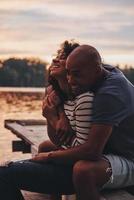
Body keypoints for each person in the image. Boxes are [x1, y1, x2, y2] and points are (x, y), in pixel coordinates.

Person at [0, 44, 134, 200]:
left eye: (75, 75)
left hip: (128, 157)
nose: (71, 80)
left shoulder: (109, 93)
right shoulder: (96, 72)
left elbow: (92, 151)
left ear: (97, 70)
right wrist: (60, 115)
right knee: (45, 146)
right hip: (108, 150)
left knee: (83, 170)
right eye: (69, 74)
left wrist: (49, 157)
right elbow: (59, 82)